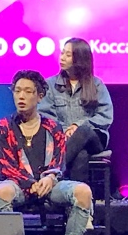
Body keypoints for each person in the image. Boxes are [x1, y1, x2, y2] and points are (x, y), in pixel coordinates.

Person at [0, 69, 92, 235]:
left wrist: (50, 178)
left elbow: (58, 162)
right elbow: (4, 165)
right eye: (17, 91)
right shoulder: (1, 128)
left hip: (49, 185)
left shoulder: (53, 127)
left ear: (40, 96)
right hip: (18, 185)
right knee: (1, 191)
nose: (21, 96)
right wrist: (31, 183)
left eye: (28, 91)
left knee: (82, 191)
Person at [37, 38, 113, 184]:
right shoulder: (50, 85)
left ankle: (53, 171)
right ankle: (76, 196)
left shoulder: (96, 85)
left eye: (68, 55)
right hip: (62, 139)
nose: (62, 57)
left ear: (80, 59)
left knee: (83, 131)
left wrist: (77, 126)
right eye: (62, 53)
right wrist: (65, 130)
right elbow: (46, 116)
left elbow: (105, 115)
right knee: (81, 155)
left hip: (94, 139)